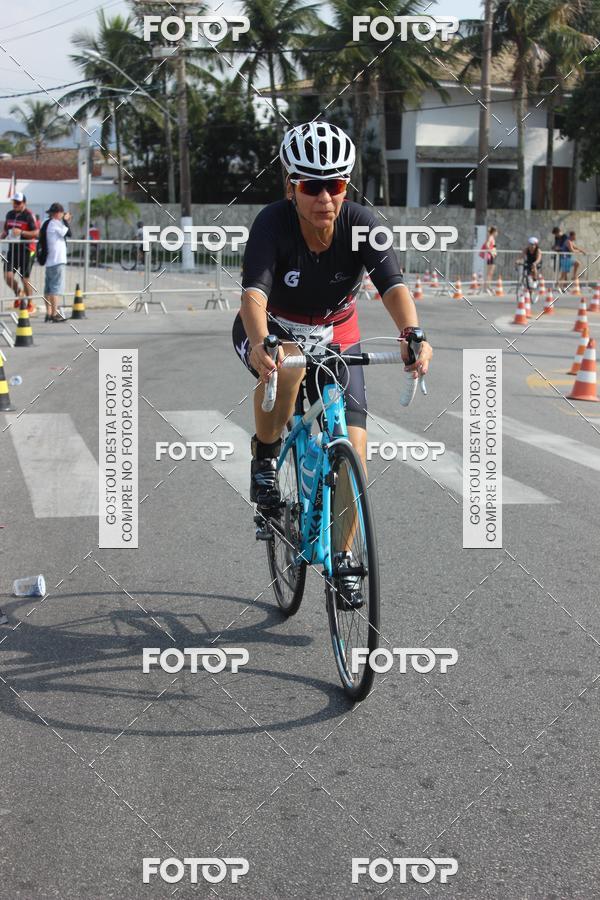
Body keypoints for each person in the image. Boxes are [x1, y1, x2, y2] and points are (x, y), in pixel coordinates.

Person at [232, 121, 432, 601]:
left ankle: (342, 557)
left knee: (353, 451)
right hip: (274, 328)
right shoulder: (272, 223)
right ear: (291, 187)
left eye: (336, 185)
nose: (325, 196)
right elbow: (253, 297)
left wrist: (413, 334)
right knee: (289, 363)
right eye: (312, 186)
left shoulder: (364, 225)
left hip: (335, 331)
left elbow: (394, 287)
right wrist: (262, 344)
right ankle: (264, 457)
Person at [0, 192, 39, 312]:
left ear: (24, 203)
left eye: (18, 202)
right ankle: (19, 293)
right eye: (14, 202)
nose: (15, 205)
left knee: (24, 278)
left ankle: (30, 302)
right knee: (8, 276)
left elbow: (36, 233)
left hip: (27, 250)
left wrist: (21, 232)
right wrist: (2, 236)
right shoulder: (10, 214)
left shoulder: (29, 215)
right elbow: (6, 231)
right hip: (13, 249)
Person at [41, 202, 71, 322]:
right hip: (57, 260)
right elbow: (69, 233)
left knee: (48, 289)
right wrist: (66, 220)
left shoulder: (48, 223)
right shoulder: (55, 223)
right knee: (55, 289)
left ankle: (48, 313)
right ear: (59, 213)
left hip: (50, 261)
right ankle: (54, 314)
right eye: (62, 213)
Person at [480, 225, 497, 294]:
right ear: (494, 232)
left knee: (490, 273)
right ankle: (486, 286)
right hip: (490, 257)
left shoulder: (492, 237)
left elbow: (493, 246)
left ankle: (488, 286)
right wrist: (491, 252)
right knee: (489, 273)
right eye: (496, 232)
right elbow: (487, 245)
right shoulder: (490, 237)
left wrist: (494, 252)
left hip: (492, 256)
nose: (497, 233)